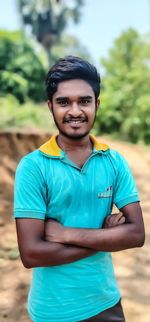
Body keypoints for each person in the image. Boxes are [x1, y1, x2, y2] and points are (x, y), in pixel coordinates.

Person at [14, 56, 145, 322]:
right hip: (52, 310)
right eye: (64, 102)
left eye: (84, 101)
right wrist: (105, 238)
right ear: (51, 106)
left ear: (97, 104)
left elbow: (136, 234)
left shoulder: (113, 161)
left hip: (106, 303)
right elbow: (31, 253)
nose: (75, 111)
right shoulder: (33, 167)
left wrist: (63, 233)